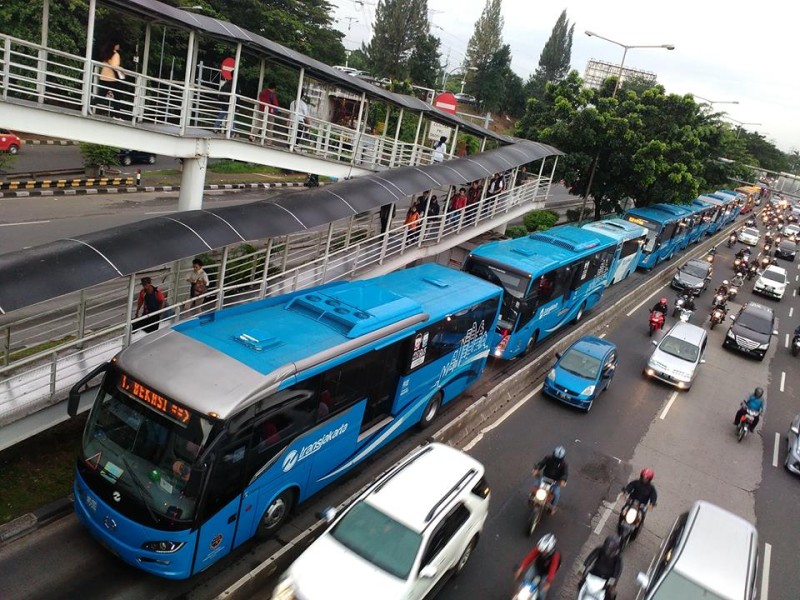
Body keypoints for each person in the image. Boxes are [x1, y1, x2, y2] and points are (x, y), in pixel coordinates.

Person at [515, 533, 561, 598]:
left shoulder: (556, 556)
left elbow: (553, 569)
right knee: (525, 580)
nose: (542, 552)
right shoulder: (540, 548)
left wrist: (548, 582)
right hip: (537, 567)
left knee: (541, 592)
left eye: (544, 551)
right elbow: (530, 556)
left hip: (546, 573)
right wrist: (521, 568)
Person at [582, 535, 623, 600]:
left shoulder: (618, 558)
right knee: (581, 584)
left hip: (607, 579)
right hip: (594, 572)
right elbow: (590, 558)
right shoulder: (599, 549)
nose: (608, 551)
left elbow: (617, 572)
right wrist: (582, 569)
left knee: (609, 596)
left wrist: (612, 583)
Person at [532, 446, 568, 512]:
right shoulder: (548, 458)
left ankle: (553, 507)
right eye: (555, 458)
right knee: (535, 485)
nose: (556, 460)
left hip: (555, 482)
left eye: (558, 459)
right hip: (545, 478)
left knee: (556, 494)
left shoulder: (564, 465)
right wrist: (537, 469)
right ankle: (531, 497)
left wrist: (563, 480)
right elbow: (541, 463)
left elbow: (565, 473)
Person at [96, 40, 125, 115]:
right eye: (117, 44)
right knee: (117, 97)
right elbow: (115, 66)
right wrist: (122, 70)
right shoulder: (115, 54)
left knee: (100, 96)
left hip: (103, 77)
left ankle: (86, 106)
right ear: (114, 45)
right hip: (112, 78)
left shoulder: (107, 53)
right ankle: (116, 115)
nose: (119, 45)